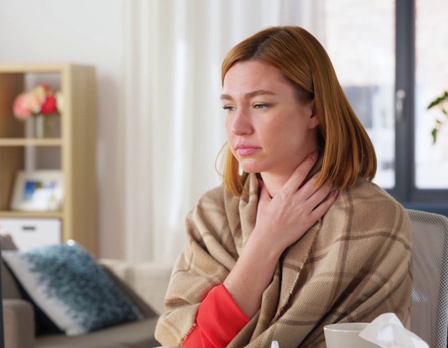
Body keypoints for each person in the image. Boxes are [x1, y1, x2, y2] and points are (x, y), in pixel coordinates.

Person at [154, 26, 412, 348]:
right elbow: (189, 343)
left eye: (260, 105)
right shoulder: (212, 213)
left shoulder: (374, 218)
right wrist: (265, 242)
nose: (237, 127)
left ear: (314, 111)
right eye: (229, 107)